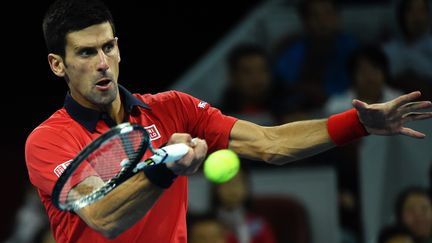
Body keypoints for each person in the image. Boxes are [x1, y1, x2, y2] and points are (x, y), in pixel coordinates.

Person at [24, 0, 432, 242]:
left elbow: (271, 144)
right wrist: (164, 167)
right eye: (85, 53)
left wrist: (358, 125)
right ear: (57, 64)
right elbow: (103, 217)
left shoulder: (171, 108)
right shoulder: (48, 140)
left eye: (108, 46)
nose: (102, 64)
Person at [210, 167, 276, 243]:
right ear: (215, 188)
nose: (232, 188)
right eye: (226, 182)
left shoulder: (259, 224)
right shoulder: (207, 226)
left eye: (237, 182)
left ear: (247, 187)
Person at [382, 0, 432, 99]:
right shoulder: (387, 50)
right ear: (401, 15)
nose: (417, 17)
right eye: (411, 11)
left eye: (421, 11)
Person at [219, 43, 277, 126]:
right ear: (233, 77)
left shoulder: (288, 106)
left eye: (262, 70)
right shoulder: (223, 119)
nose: (257, 78)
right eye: (247, 72)